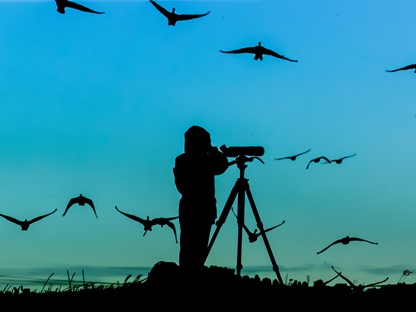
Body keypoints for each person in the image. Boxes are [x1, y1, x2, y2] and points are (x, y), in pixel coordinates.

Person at [173, 125, 229, 276]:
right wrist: (211, 153)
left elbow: (222, 166)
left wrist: (211, 152)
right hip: (196, 211)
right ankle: (189, 278)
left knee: (195, 251)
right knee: (190, 252)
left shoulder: (195, 160)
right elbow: (222, 166)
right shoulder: (189, 161)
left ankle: (192, 277)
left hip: (200, 211)